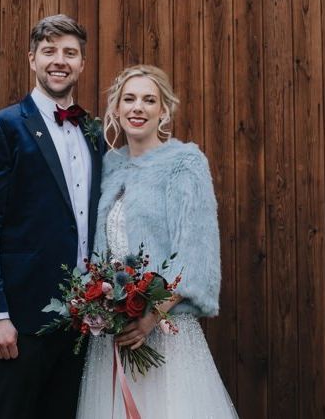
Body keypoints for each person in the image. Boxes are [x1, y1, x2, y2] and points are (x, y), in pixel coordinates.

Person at [76, 65, 238, 418]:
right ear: (116, 109)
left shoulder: (185, 163)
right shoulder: (110, 166)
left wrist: (149, 317)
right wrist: (102, 305)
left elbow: (196, 256)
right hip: (113, 337)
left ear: (164, 110)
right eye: (129, 99)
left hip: (163, 329)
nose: (138, 108)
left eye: (149, 100)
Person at [0, 14, 103, 419]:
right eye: (49, 51)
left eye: (69, 53)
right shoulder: (1, 127)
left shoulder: (93, 133)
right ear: (32, 59)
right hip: (20, 323)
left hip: (82, 325)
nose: (59, 61)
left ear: (82, 64)